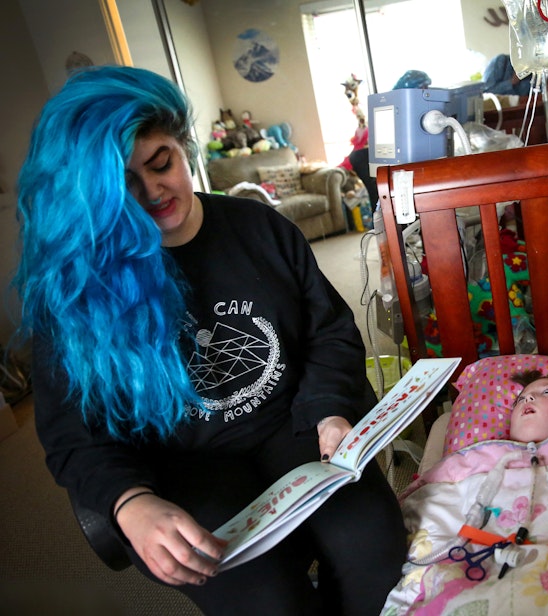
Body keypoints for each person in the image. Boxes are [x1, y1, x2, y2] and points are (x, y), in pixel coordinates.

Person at [14, 65, 406, 615]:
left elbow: (330, 335)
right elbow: (71, 433)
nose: (153, 193)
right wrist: (131, 503)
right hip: (182, 464)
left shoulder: (260, 229)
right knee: (268, 601)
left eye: (161, 164)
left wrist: (330, 413)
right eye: (125, 185)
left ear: (182, 146)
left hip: (294, 426)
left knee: (377, 555)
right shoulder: (77, 286)